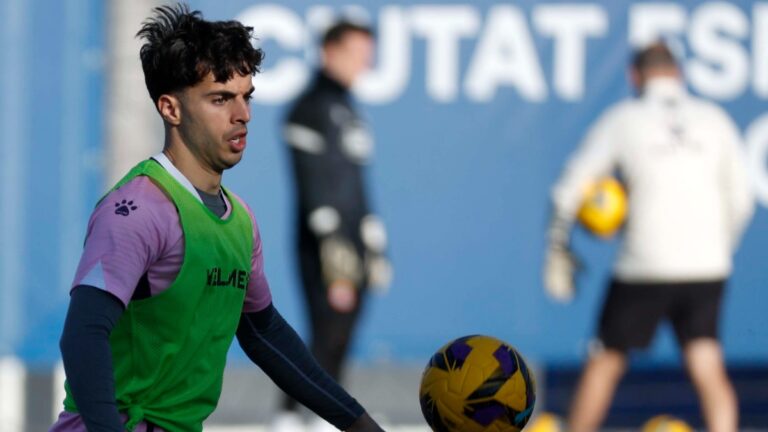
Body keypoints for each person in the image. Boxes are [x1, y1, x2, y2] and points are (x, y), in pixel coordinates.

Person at [50, 4, 385, 432]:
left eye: (247, 96)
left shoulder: (240, 220)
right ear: (170, 109)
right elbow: (82, 336)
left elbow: (266, 338)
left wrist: (359, 424)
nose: (242, 114)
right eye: (220, 98)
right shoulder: (136, 209)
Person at [543, 42, 754, 432]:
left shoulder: (625, 118)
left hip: (644, 263)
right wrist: (720, 247)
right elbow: (741, 199)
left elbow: (568, 188)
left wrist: (557, 247)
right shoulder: (714, 119)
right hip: (707, 264)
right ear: (680, 74)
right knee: (707, 364)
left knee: (606, 361)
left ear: (633, 76)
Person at [276, 21, 392, 432]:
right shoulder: (309, 106)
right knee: (326, 327)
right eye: (358, 51)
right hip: (323, 241)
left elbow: (355, 181)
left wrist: (371, 236)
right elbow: (311, 178)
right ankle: (292, 416)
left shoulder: (349, 109)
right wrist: (330, 238)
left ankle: (319, 412)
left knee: (342, 330)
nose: (367, 61)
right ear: (330, 50)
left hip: (354, 237)